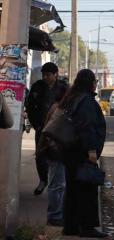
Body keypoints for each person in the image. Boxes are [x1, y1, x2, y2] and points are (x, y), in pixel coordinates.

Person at [58, 69, 107, 238]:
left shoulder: (72, 98)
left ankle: (70, 226)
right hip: (82, 152)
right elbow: (87, 128)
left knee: (72, 189)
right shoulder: (86, 101)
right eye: (95, 81)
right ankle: (87, 227)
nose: (96, 84)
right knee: (87, 190)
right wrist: (91, 151)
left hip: (69, 151)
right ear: (90, 83)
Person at [26, 62, 68, 196]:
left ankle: (58, 184)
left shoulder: (64, 88)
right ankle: (43, 180)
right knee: (40, 156)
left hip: (59, 130)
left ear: (55, 74)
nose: (45, 77)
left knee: (58, 157)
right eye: (43, 74)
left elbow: (70, 108)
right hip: (41, 128)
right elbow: (30, 107)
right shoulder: (37, 87)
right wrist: (35, 124)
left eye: (48, 75)